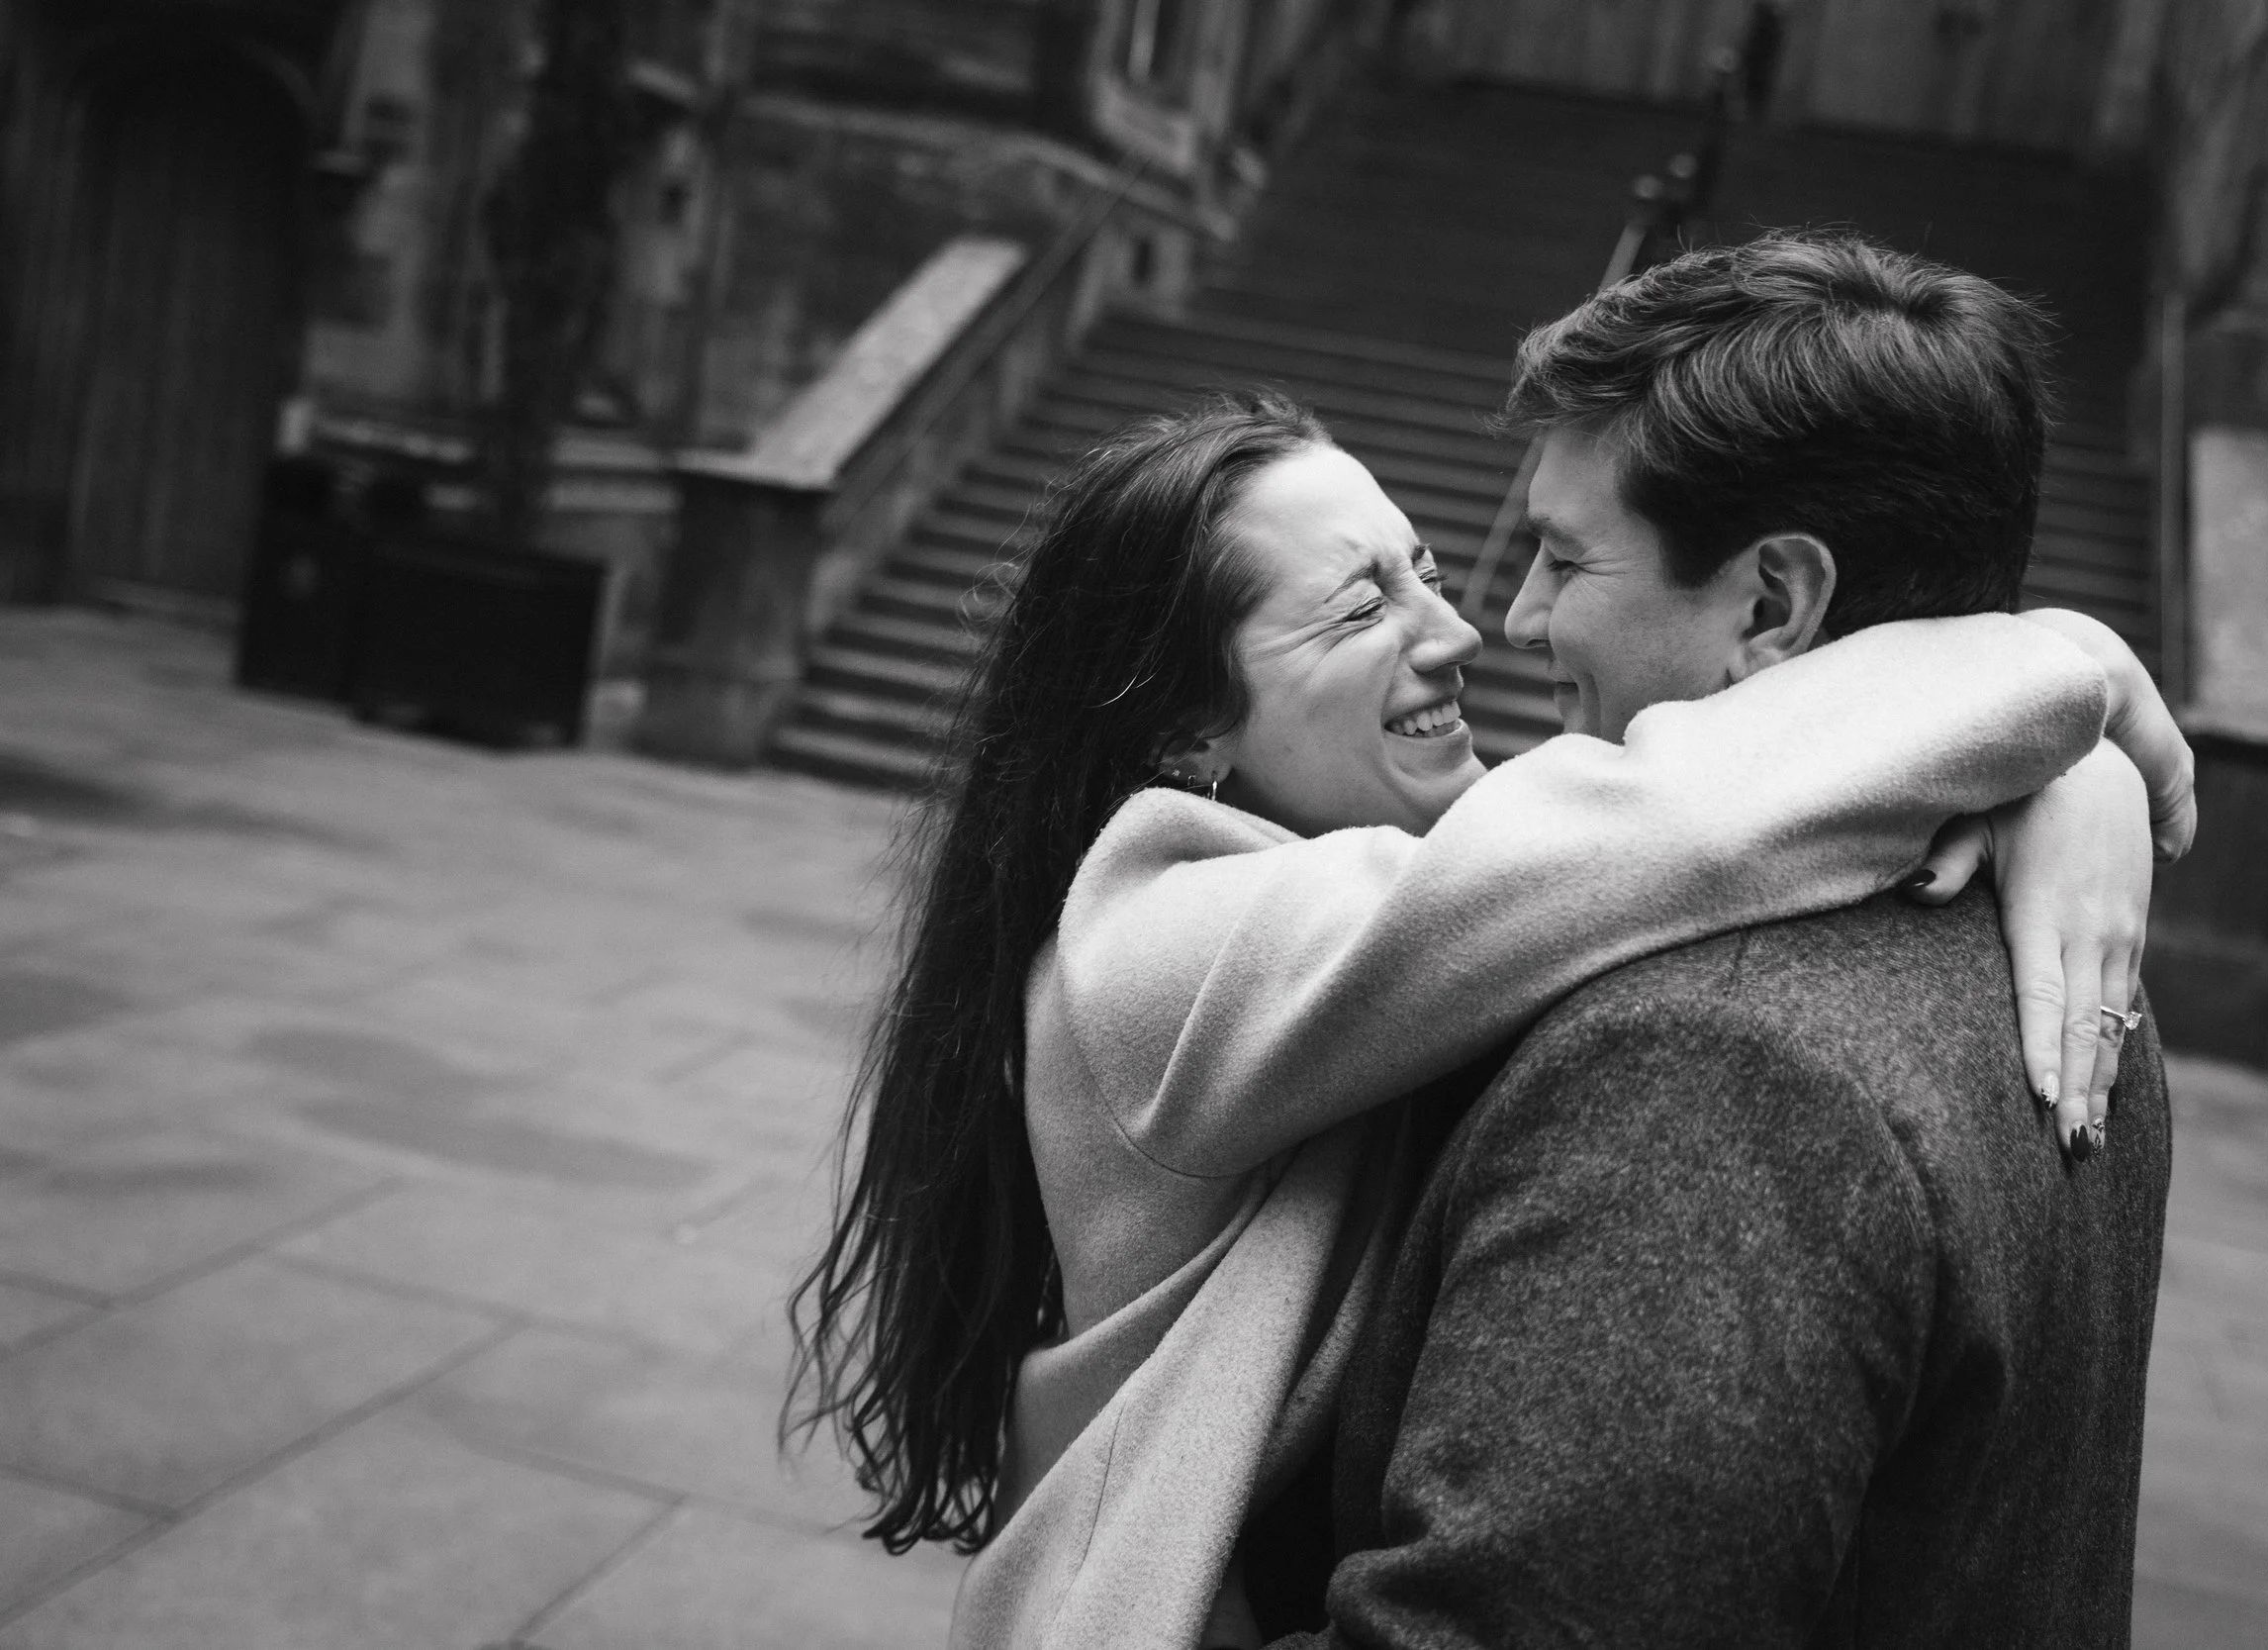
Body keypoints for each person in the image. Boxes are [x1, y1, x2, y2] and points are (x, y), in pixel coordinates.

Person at [785, 393, 2186, 1641]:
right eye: (1358, 608)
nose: (1461, 630)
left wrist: (2055, 761)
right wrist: (2066, 680)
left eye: (1430, 573)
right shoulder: (1152, 948)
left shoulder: (1412, 901)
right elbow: (1678, 819)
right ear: (1180, 735)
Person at [1250, 232, 2180, 1647]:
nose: (1516, 615)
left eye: (1567, 559)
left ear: (1772, 606)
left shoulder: (1714, 1066)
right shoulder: (2067, 960)